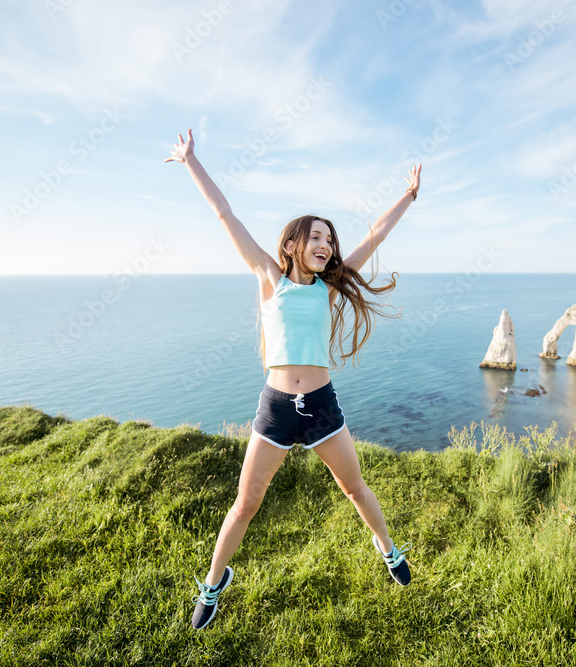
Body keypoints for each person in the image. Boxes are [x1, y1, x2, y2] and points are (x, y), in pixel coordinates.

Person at [164, 129, 421, 630]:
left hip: (322, 406)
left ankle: (387, 548)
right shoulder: (269, 277)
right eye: (317, 237)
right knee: (245, 505)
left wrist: (408, 195)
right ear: (293, 244)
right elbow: (225, 215)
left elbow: (378, 235)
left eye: (331, 239)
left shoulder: (330, 288)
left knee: (355, 489)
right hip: (276, 408)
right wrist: (192, 161)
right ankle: (214, 584)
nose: (327, 245)